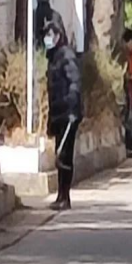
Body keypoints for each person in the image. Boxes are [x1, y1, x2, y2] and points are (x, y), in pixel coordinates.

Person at [43, 19, 82, 210]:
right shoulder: (53, 57)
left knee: (65, 155)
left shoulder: (66, 55)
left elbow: (74, 82)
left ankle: (65, 197)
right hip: (59, 113)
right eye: (46, 35)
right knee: (60, 155)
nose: (47, 38)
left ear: (58, 36)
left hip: (68, 114)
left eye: (50, 35)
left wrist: (73, 109)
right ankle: (60, 196)